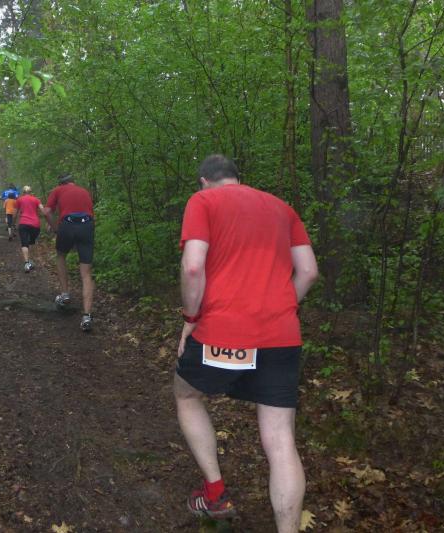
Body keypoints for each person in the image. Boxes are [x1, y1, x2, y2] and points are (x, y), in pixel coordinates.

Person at [174, 154, 318, 531]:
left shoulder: (202, 201)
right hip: (281, 336)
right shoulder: (282, 208)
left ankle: (215, 493)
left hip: (222, 330)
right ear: (238, 178)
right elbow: (308, 271)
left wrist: (191, 319)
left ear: (204, 181)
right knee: (280, 439)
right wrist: (280, 307)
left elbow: (193, 266)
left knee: (186, 394)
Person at [43, 174, 95, 332]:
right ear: (73, 182)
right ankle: (87, 316)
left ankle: (65, 294)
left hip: (67, 224)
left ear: (61, 183)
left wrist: (55, 228)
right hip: (87, 226)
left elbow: (46, 212)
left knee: (61, 255)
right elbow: (90, 212)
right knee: (86, 273)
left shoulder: (57, 190)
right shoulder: (84, 191)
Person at [14, 186, 44, 272]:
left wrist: (13, 223)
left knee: (24, 243)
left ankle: (26, 263)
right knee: (32, 242)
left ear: (23, 192)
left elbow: (15, 213)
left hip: (23, 223)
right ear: (31, 192)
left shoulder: (19, 199)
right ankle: (31, 261)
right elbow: (43, 210)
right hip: (35, 224)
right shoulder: (36, 200)